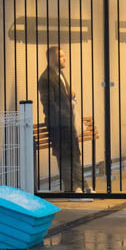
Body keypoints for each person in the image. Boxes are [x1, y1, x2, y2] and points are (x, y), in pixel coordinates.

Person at [37, 45, 85, 191]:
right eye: (62, 56)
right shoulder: (46, 78)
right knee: (65, 157)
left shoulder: (60, 74)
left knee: (75, 154)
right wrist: (65, 116)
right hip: (58, 125)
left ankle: (81, 187)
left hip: (67, 123)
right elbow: (49, 104)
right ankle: (71, 189)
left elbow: (63, 95)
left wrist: (70, 94)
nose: (65, 59)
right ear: (52, 58)